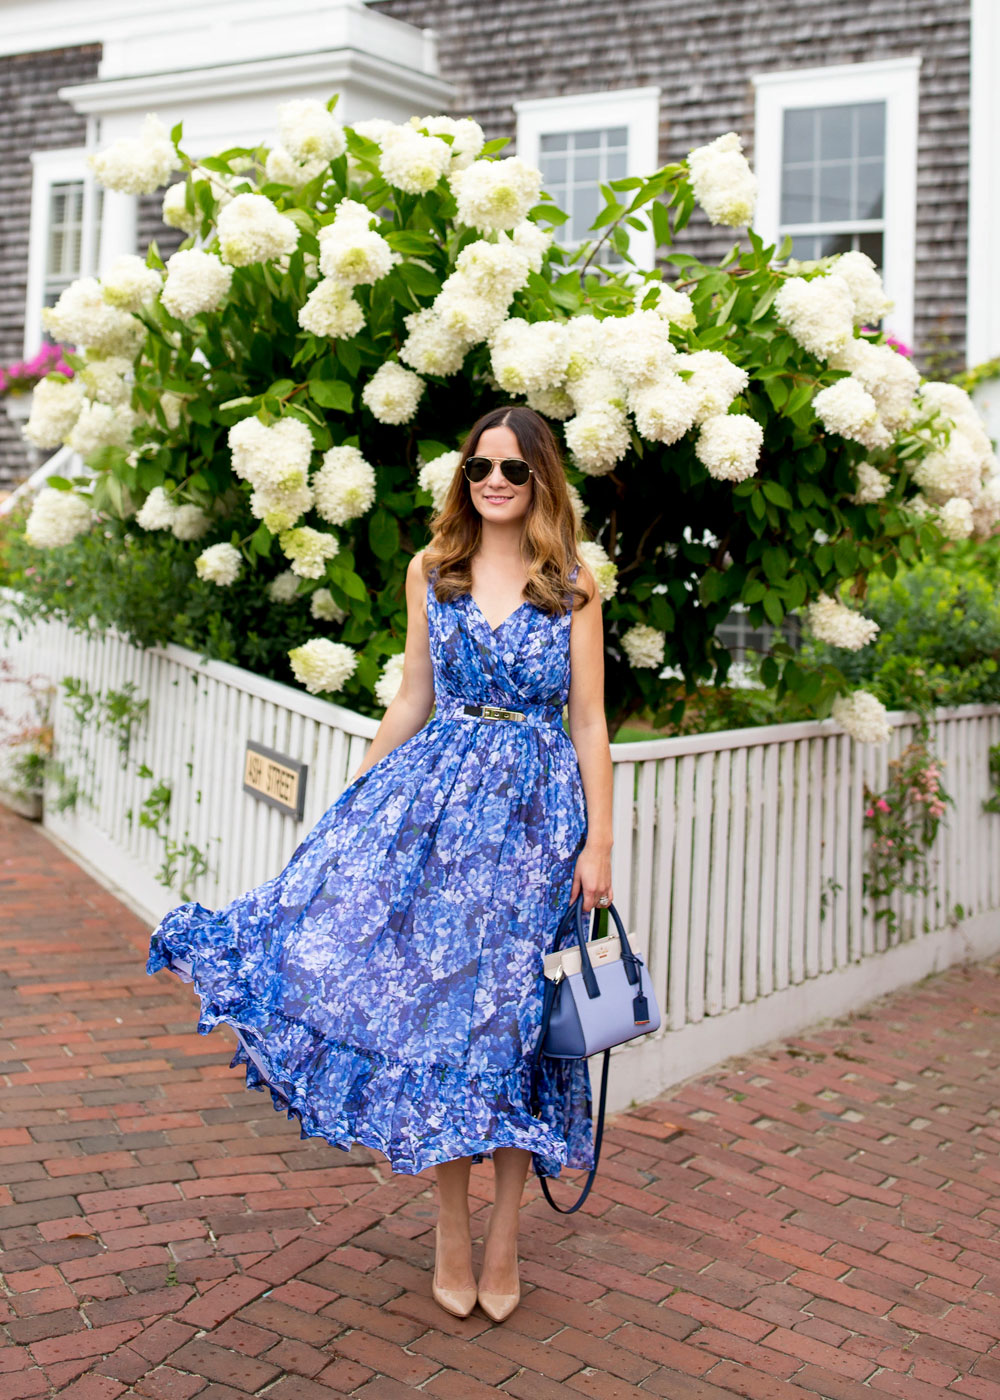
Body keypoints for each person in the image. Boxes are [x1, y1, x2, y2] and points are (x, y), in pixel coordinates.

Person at [146, 402, 614, 1324]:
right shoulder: (432, 571)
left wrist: (599, 842)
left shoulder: (574, 584)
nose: (494, 483)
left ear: (541, 480)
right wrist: (362, 799)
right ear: (463, 478)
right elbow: (412, 699)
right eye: (480, 467)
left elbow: (590, 722)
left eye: (514, 471)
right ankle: (449, 1227)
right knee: (440, 1025)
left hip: (533, 826)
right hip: (437, 816)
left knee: (515, 1032)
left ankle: (508, 1233)